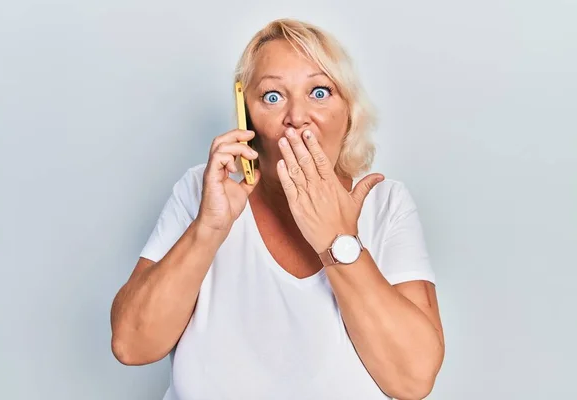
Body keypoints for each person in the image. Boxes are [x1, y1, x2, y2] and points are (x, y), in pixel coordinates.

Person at [110, 18, 445, 400]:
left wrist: (338, 242)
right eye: (273, 96)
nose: (297, 117)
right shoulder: (202, 191)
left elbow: (413, 380)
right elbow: (131, 346)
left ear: (349, 113)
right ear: (246, 117)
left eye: (319, 92)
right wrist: (209, 228)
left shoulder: (386, 205)